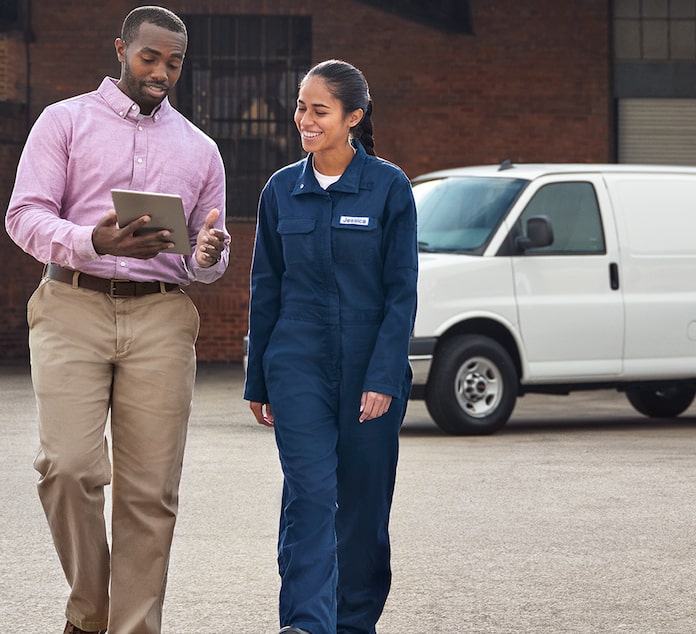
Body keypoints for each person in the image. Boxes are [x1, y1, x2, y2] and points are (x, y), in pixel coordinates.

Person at [4, 6, 229, 634]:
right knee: (68, 468)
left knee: (150, 491)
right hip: (71, 303)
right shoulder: (64, 121)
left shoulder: (200, 148)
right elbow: (23, 215)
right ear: (121, 49)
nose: (161, 72)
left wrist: (209, 255)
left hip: (161, 313)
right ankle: (90, 609)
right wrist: (91, 240)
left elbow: (205, 254)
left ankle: (134, 628)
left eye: (174, 62)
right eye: (150, 57)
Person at [245, 59, 418, 634]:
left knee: (363, 506)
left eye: (319, 110)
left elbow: (401, 293)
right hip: (297, 362)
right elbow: (266, 288)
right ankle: (305, 623)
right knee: (311, 495)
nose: (305, 120)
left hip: (369, 362)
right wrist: (258, 379)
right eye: (301, 107)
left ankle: (353, 623)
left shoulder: (389, 187)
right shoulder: (281, 191)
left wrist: (384, 376)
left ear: (353, 118)